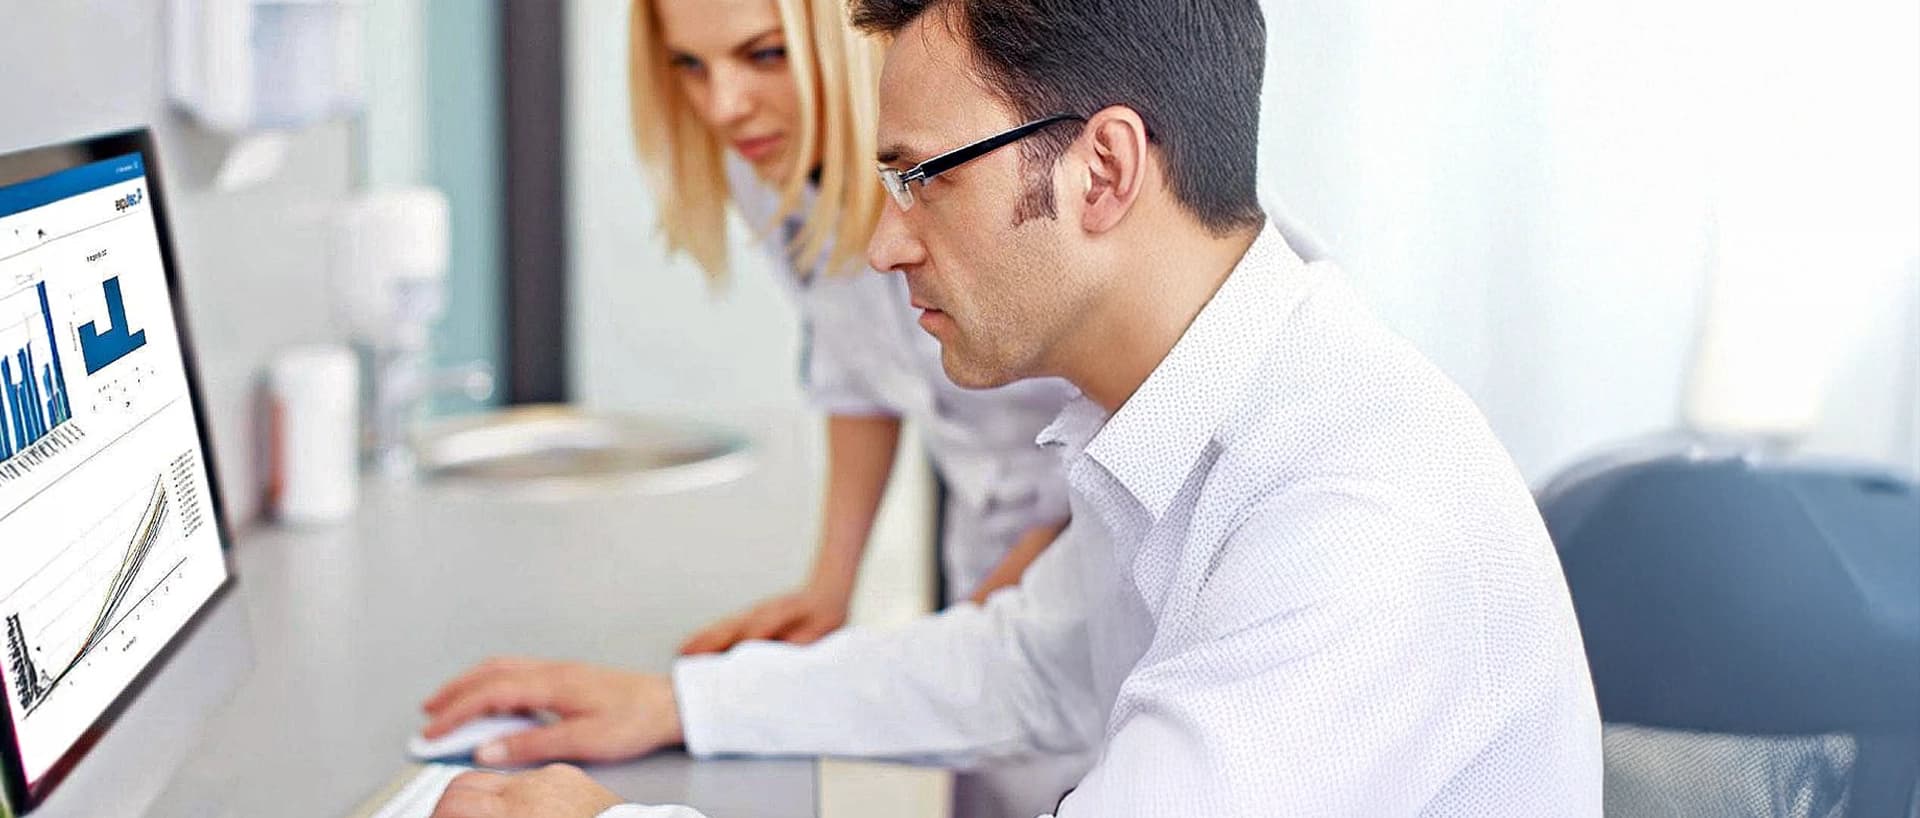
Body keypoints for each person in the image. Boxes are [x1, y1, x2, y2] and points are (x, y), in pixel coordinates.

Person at [424, 1, 1604, 816]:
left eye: (923, 178)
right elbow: (1035, 664)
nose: (884, 243)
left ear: (1104, 168)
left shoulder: (1353, 519)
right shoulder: (1184, 408)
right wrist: (677, 699)